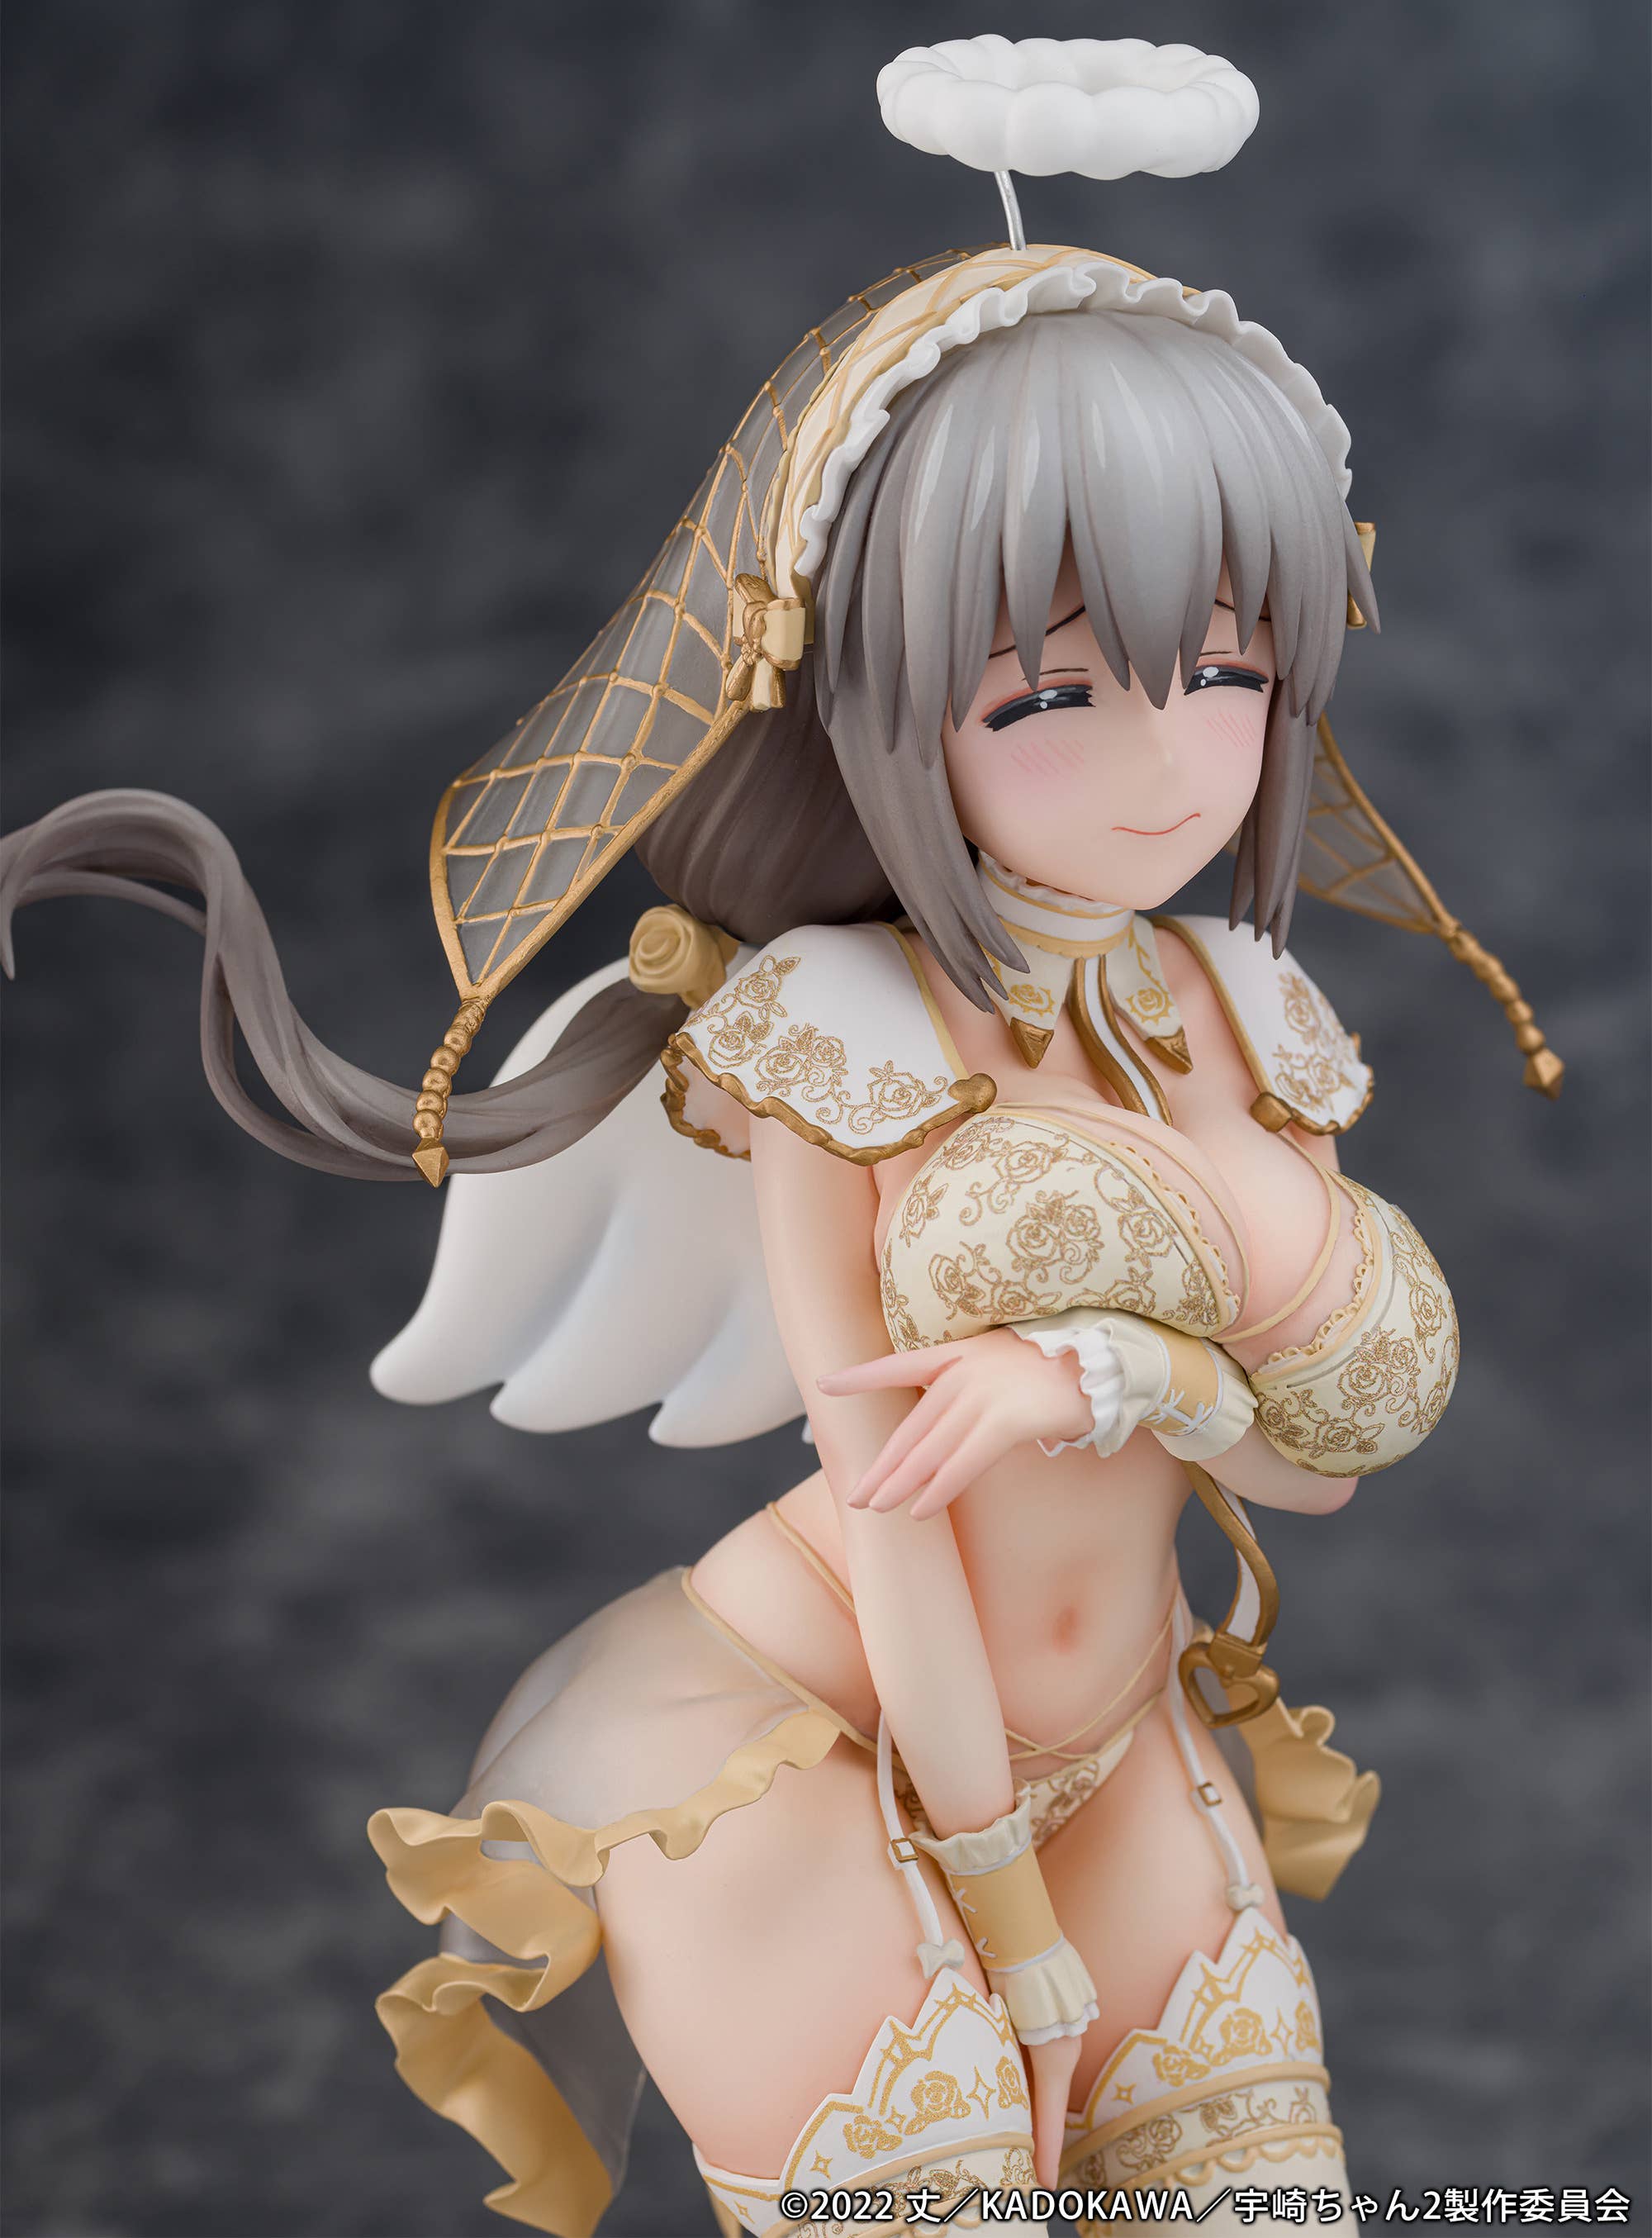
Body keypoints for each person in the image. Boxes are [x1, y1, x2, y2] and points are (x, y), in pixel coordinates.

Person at [0, 36, 1560, 2238]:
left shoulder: (1240, 1008)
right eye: (1051, 691)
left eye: (1228, 671)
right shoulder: (834, 1025)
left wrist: (1113, 1369)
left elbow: (1316, 1459)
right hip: (811, 1728)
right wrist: (1007, 1930)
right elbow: (893, 1507)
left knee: (1258, 2192)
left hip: (1115, 1724)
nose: (1167, 763)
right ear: (884, 697)